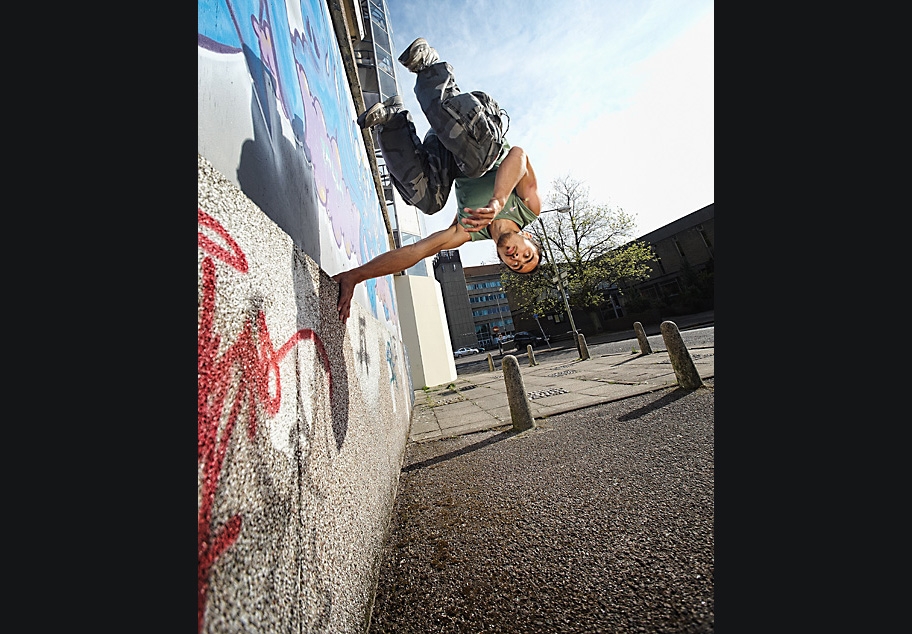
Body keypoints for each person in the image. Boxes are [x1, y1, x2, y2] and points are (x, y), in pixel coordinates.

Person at [333, 37, 544, 323]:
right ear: (527, 237)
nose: (516, 257)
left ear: (502, 260)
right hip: (475, 124)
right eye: (526, 255)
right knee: (478, 165)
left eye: (515, 264)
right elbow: (519, 156)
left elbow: (416, 252)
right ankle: (429, 67)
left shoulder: (467, 232)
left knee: (429, 202)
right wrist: (498, 200)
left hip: (445, 145)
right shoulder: (528, 207)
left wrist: (356, 276)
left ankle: (393, 122)